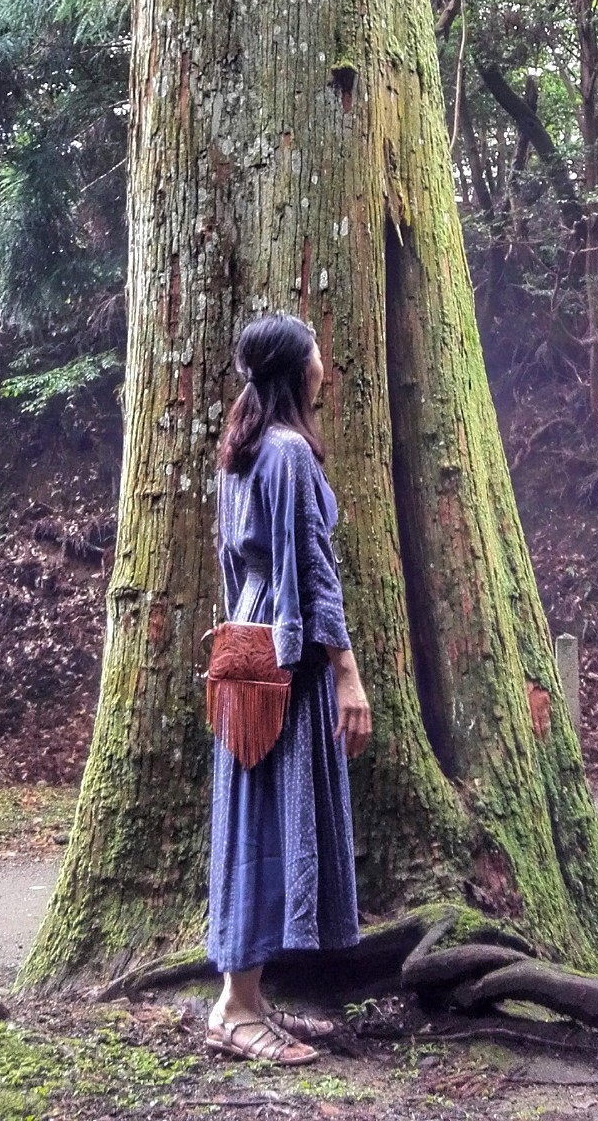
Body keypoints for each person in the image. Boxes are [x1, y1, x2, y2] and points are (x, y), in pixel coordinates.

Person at [206, 311, 372, 1065]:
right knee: (270, 822)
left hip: (244, 649)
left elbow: (235, 566)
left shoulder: (238, 454)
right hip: (286, 661)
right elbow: (311, 571)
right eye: (316, 354)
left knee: (253, 821)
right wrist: (346, 673)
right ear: (295, 368)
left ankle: (246, 999)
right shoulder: (289, 454)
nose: (324, 364)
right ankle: (236, 1009)